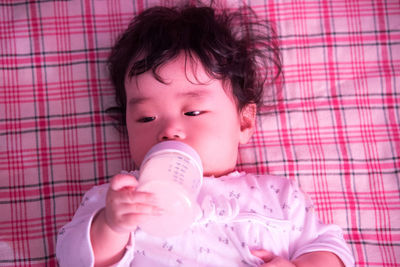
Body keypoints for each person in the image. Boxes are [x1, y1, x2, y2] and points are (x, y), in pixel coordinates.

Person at [56, 4, 355, 267]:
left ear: (244, 122)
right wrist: (112, 226)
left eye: (193, 112)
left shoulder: (279, 196)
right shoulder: (119, 199)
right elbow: (72, 258)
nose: (169, 131)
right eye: (145, 118)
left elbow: (330, 248)